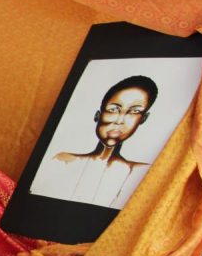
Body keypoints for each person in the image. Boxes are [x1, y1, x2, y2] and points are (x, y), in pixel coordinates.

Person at [30, 75, 159, 208]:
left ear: (143, 119)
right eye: (113, 109)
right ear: (98, 114)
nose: (119, 121)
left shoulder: (141, 173)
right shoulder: (61, 161)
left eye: (134, 111)